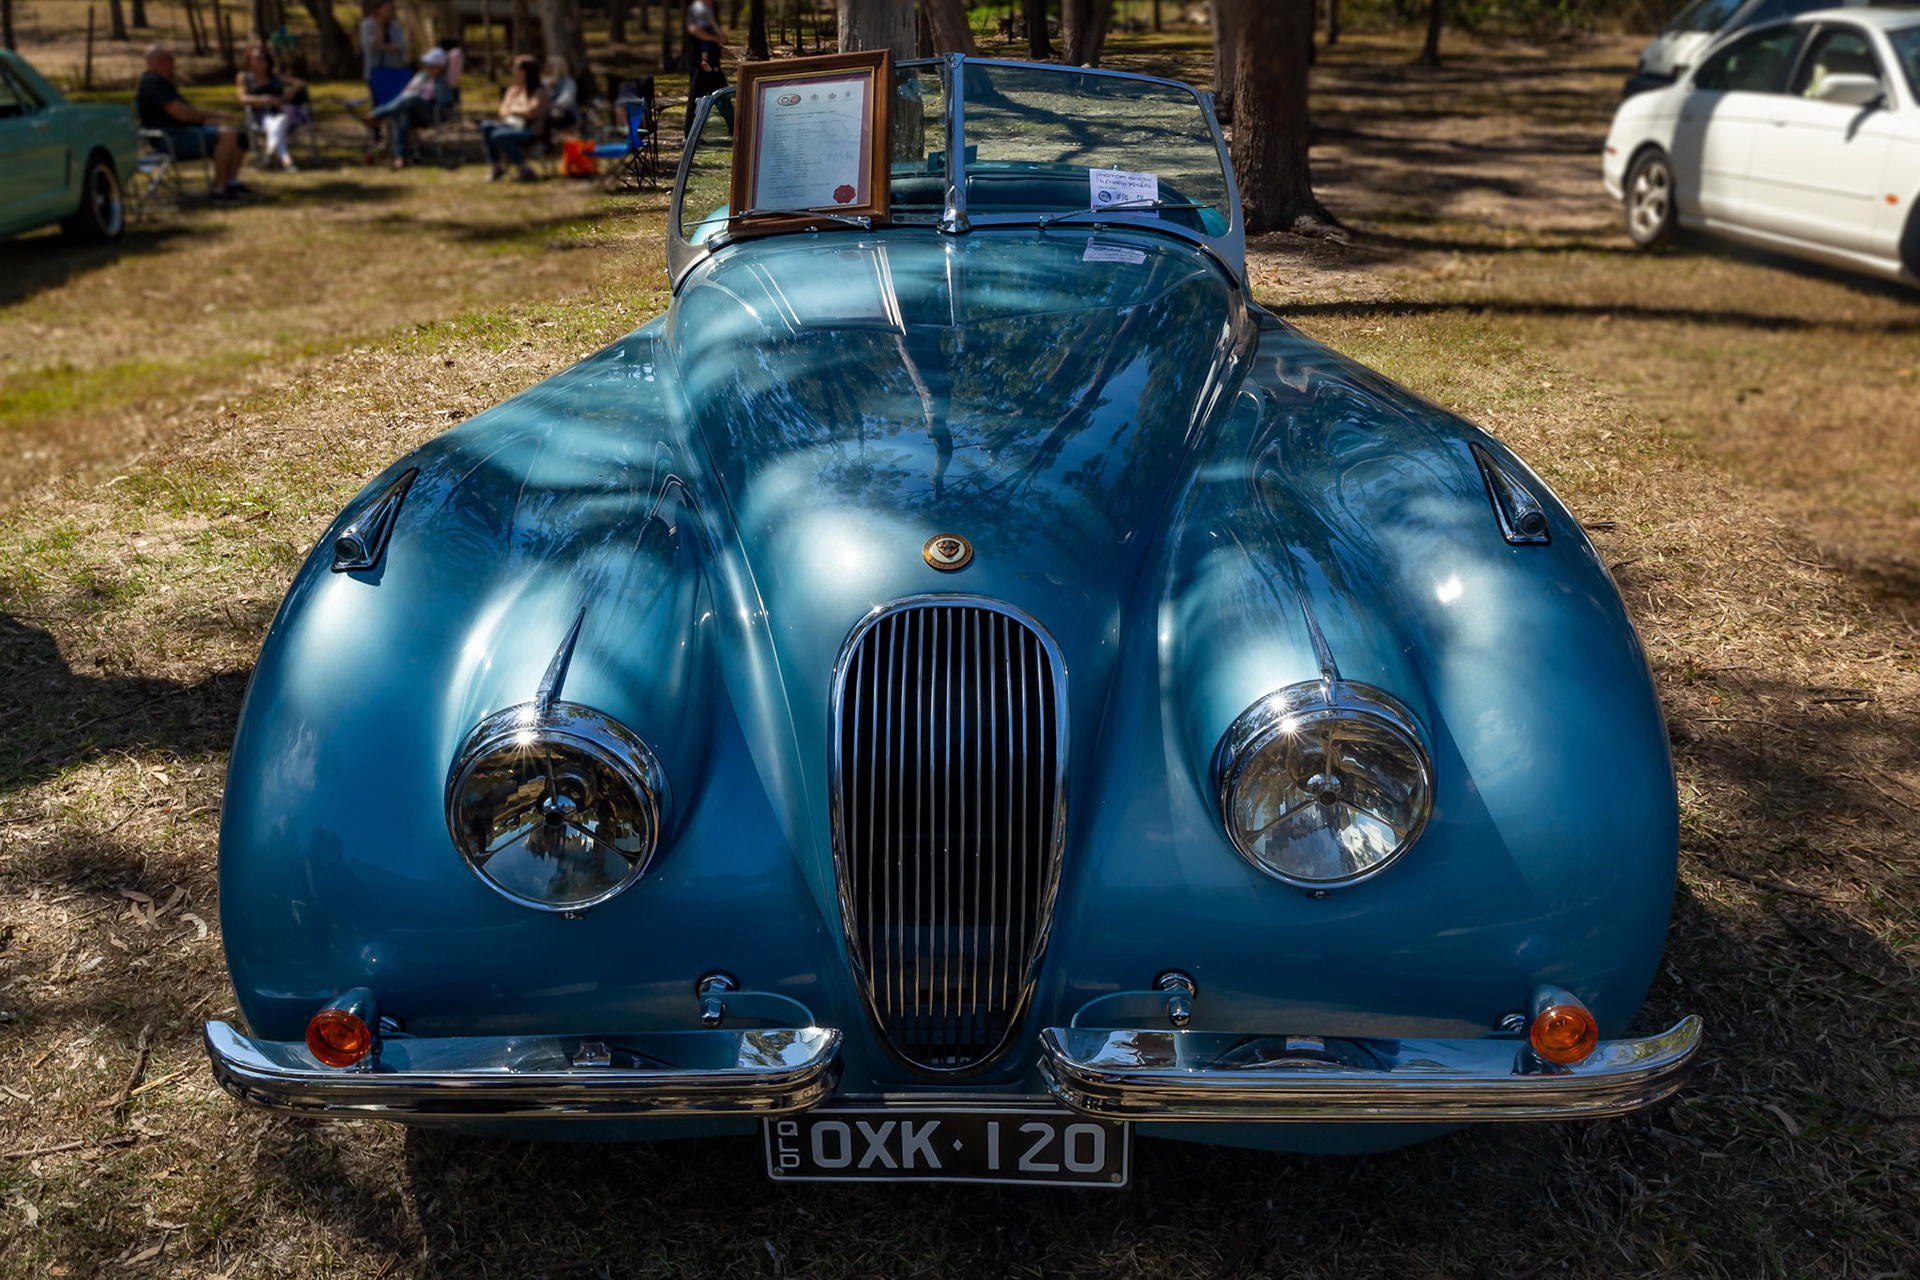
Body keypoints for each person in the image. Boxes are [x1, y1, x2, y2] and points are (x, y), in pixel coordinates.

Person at [135, 44, 250, 200]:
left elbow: (182, 114)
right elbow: (182, 114)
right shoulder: (152, 82)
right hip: (170, 139)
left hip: (181, 133)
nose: (173, 64)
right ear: (157, 61)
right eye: (169, 59)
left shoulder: (162, 82)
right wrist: (214, 115)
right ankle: (220, 189)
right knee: (228, 136)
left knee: (239, 136)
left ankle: (231, 182)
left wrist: (206, 121)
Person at [363, 46, 448, 169]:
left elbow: (444, 100)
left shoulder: (444, 80)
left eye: (431, 66)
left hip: (432, 112)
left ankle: (376, 115)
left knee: (411, 98)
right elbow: (405, 93)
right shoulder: (421, 76)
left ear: (440, 67)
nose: (428, 68)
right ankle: (400, 157)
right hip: (413, 112)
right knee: (402, 114)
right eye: (427, 65)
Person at [235, 44, 308, 172]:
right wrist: (265, 100)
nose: (261, 62)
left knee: (280, 120)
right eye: (257, 59)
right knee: (278, 123)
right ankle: (285, 160)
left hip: (281, 113)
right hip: (258, 117)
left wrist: (285, 98)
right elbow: (242, 98)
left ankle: (269, 154)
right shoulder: (244, 77)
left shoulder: (275, 77)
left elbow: (300, 83)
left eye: (263, 59)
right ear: (249, 61)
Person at [480, 54, 550, 183]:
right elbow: (502, 111)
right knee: (486, 126)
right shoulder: (513, 90)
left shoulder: (539, 92)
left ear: (527, 72)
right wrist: (517, 110)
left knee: (498, 135)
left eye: (516, 68)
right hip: (510, 126)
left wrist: (513, 110)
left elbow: (532, 112)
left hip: (530, 131)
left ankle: (525, 169)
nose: (513, 71)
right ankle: (496, 168)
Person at [684, 0, 732, 129]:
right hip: (700, 66)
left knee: (724, 98)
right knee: (696, 103)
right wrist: (715, 38)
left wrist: (719, 44)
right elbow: (695, 30)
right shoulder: (697, 8)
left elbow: (715, 30)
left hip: (714, 66)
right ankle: (690, 136)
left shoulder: (709, 10)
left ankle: (736, 133)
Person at [542, 55, 578, 134]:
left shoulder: (568, 81)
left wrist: (553, 105)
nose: (546, 67)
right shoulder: (545, 81)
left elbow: (567, 98)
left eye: (549, 66)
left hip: (565, 113)